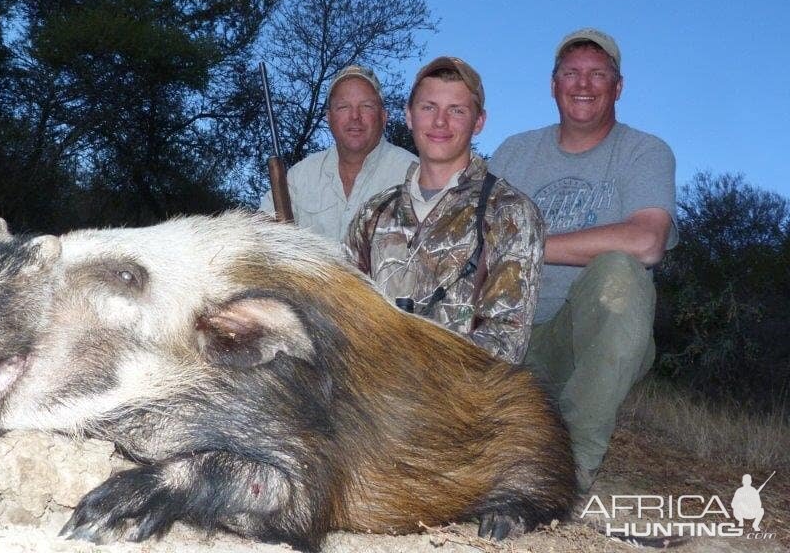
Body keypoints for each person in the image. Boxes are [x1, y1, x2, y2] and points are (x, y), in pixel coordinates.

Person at [488, 27, 678, 491]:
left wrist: (528, 246)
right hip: (509, 340)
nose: (583, 84)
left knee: (620, 271)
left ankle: (572, 465)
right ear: (553, 85)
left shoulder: (645, 152)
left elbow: (648, 241)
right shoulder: (515, 151)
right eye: (570, 73)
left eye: (598, 74)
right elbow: (478, 242)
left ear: (618, 87)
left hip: (583, 344)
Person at [344, 57, 544, 364]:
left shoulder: (511, 214)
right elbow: (345, 319)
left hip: (458, 403)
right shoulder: (372, 215)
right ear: (409, 116)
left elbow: (504, 345)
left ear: (479, 122)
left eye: (457, 110)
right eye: (428, 107)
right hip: (372, 395)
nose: (440, 122)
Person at [260, 64, 417, 242]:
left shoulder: (414, 174)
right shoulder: (299, 177)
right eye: (343, 107)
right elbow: (261, 233)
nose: (355, 116)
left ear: (383, 117)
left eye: (366, 106)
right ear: (329, 118)